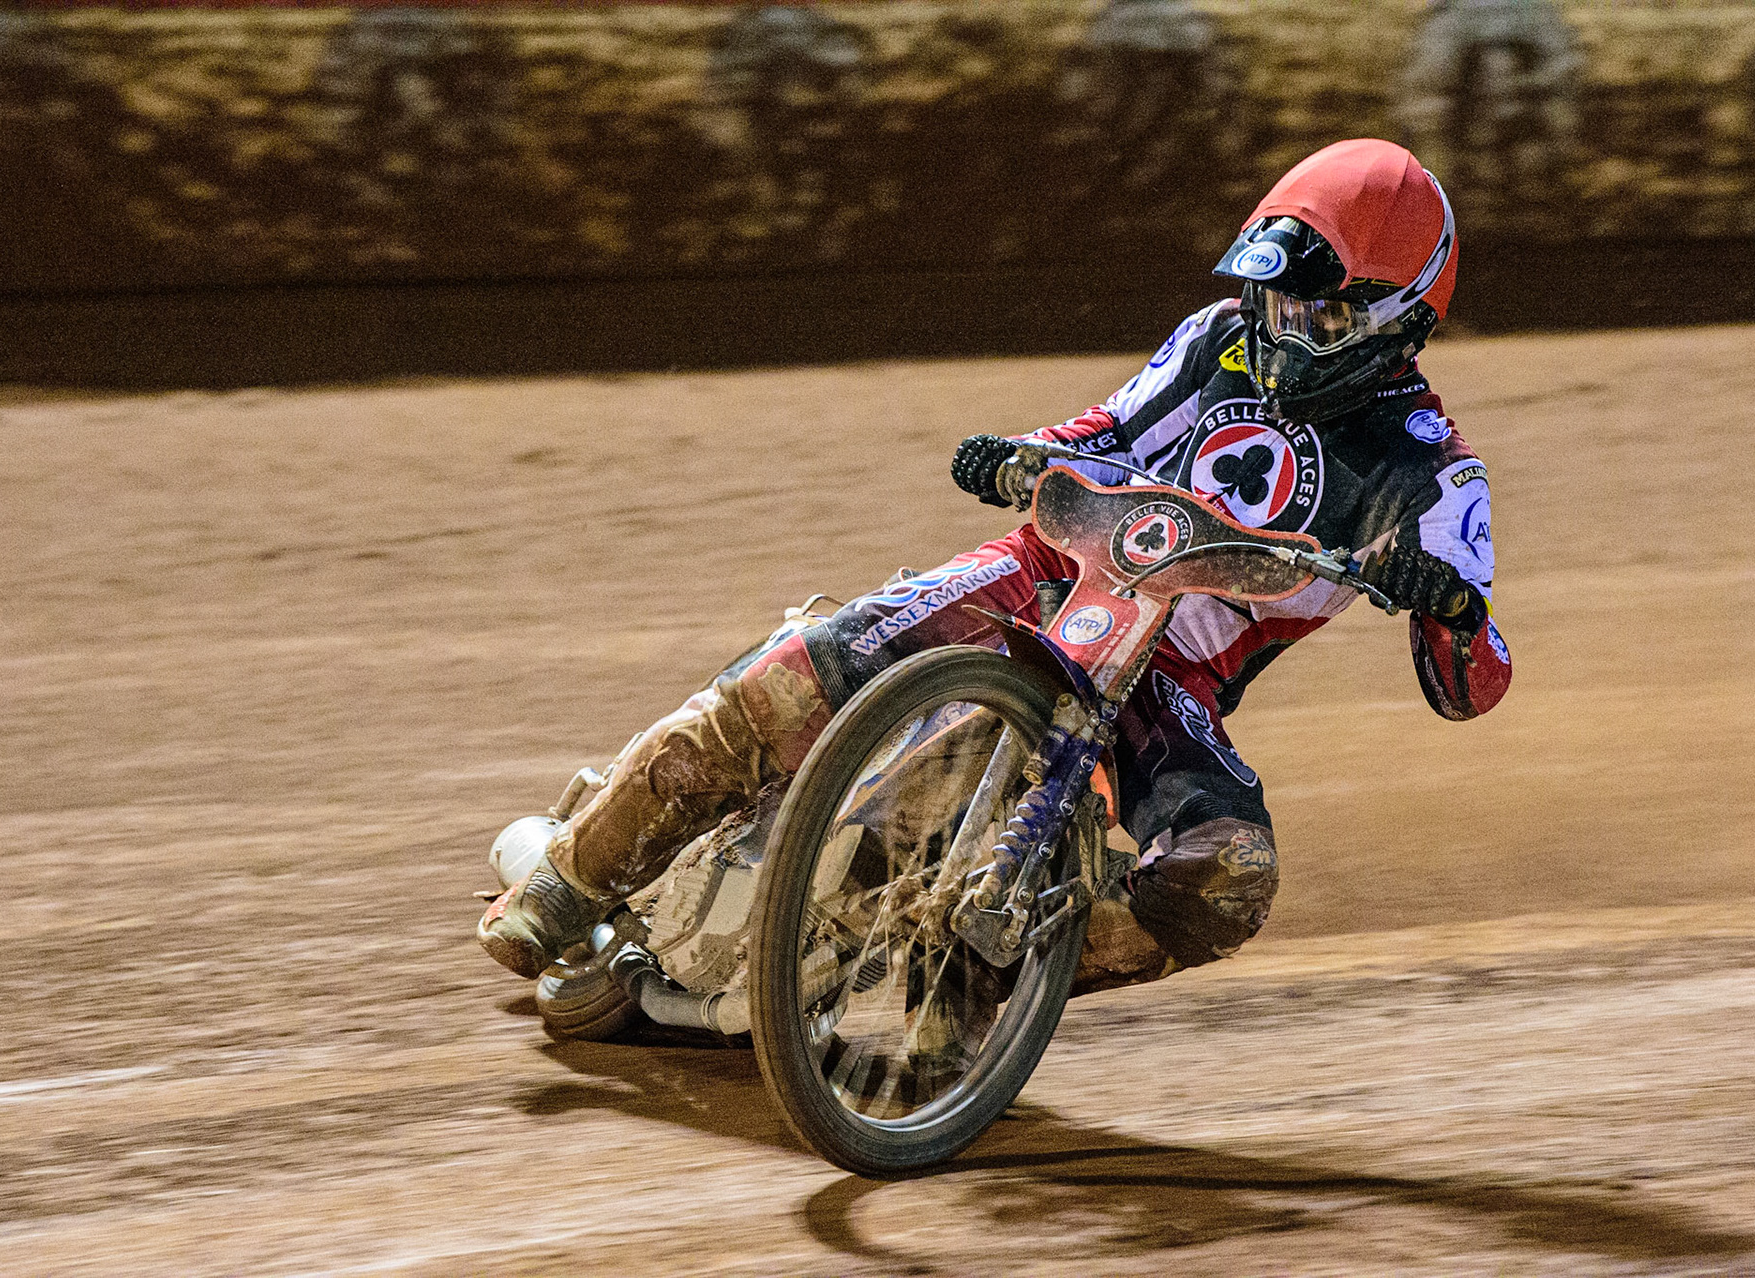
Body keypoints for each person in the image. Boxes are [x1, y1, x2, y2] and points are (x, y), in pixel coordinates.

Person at [478, 137, 1511, 995]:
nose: (1287, 330)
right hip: (1045, 571)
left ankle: (963, 997)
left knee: (1223, 876)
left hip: (1168, 680)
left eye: (1321, 315)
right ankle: (570, 880)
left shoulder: (1432, 471)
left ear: (1402, 315)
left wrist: (1451, 608)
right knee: (797, 675)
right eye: (1280, 304)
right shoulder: (1218, 342)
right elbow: (1104, 431)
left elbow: (1475, 683)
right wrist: (1023, 453)